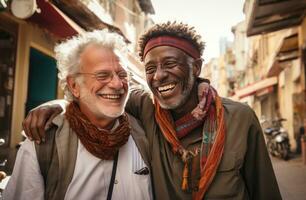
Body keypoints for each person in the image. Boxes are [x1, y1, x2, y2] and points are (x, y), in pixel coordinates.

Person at [22, 21, 282, 200]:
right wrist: (57, 105)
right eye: (149, 68)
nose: (159, 76)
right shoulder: (146, 109)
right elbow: (98, 96)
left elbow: (265, 193)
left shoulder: (239, 118)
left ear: (196, 67)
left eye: (170, 63)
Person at [3, 30, 152, 200]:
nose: (117, 84)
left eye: (122, 75)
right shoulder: (44, 142)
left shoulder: (144, 134)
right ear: (74, 85)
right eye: (102, 75)